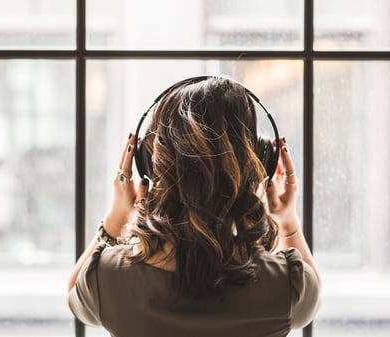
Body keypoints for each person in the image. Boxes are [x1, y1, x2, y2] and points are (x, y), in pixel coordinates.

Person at [67, 76, 321, 337]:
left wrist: (117, 218)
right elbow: (311, 298)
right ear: (261, 160)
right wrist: (288, 221)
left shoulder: (108, 278)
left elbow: (75, 293)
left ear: (147, 164)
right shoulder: (286, 285)